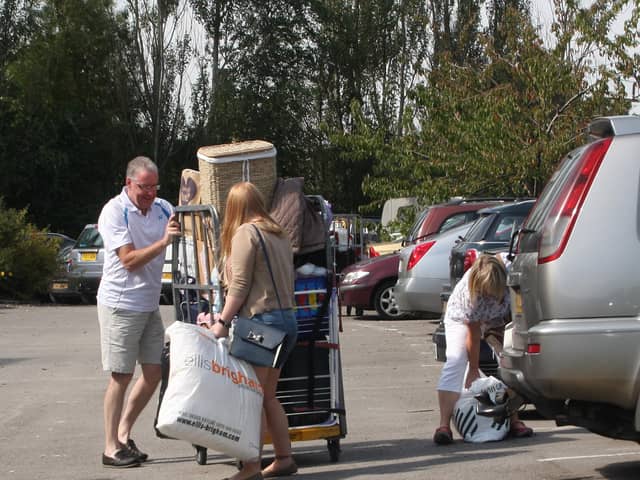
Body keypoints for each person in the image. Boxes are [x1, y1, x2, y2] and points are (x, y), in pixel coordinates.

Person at [210, 181, 298, 480]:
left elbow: (241, 286)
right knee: (268, 396)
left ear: (234, 207)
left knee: (252, 397)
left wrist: (221, 322)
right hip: (287, 321)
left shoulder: (246, 233)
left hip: (262, 325)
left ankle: (250, 467)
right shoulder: (279, 232)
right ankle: (284, 458)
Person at [96, 156, 181, 468]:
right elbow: (128, 260)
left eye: (154, 187)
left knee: (154, 372)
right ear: (129, 183)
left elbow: (188, 210)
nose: (149, 193)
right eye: (144, 187)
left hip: (148, 304)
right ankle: (109, 448)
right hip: (120, 304)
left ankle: (123, 434)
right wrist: (164, 242)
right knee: (121, 375)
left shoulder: (162, 208)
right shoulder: (114, 211)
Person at [433, 253, 533, 445]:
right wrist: (473, 369)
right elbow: (474, 333)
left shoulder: (512, 266)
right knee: (456, 360)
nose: (489, 296)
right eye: (485, 292)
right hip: (462, 319)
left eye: (493, 292)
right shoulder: (471, 294)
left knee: (508, 362)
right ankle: (443, 426)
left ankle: (514, 420)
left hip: (500, 319)